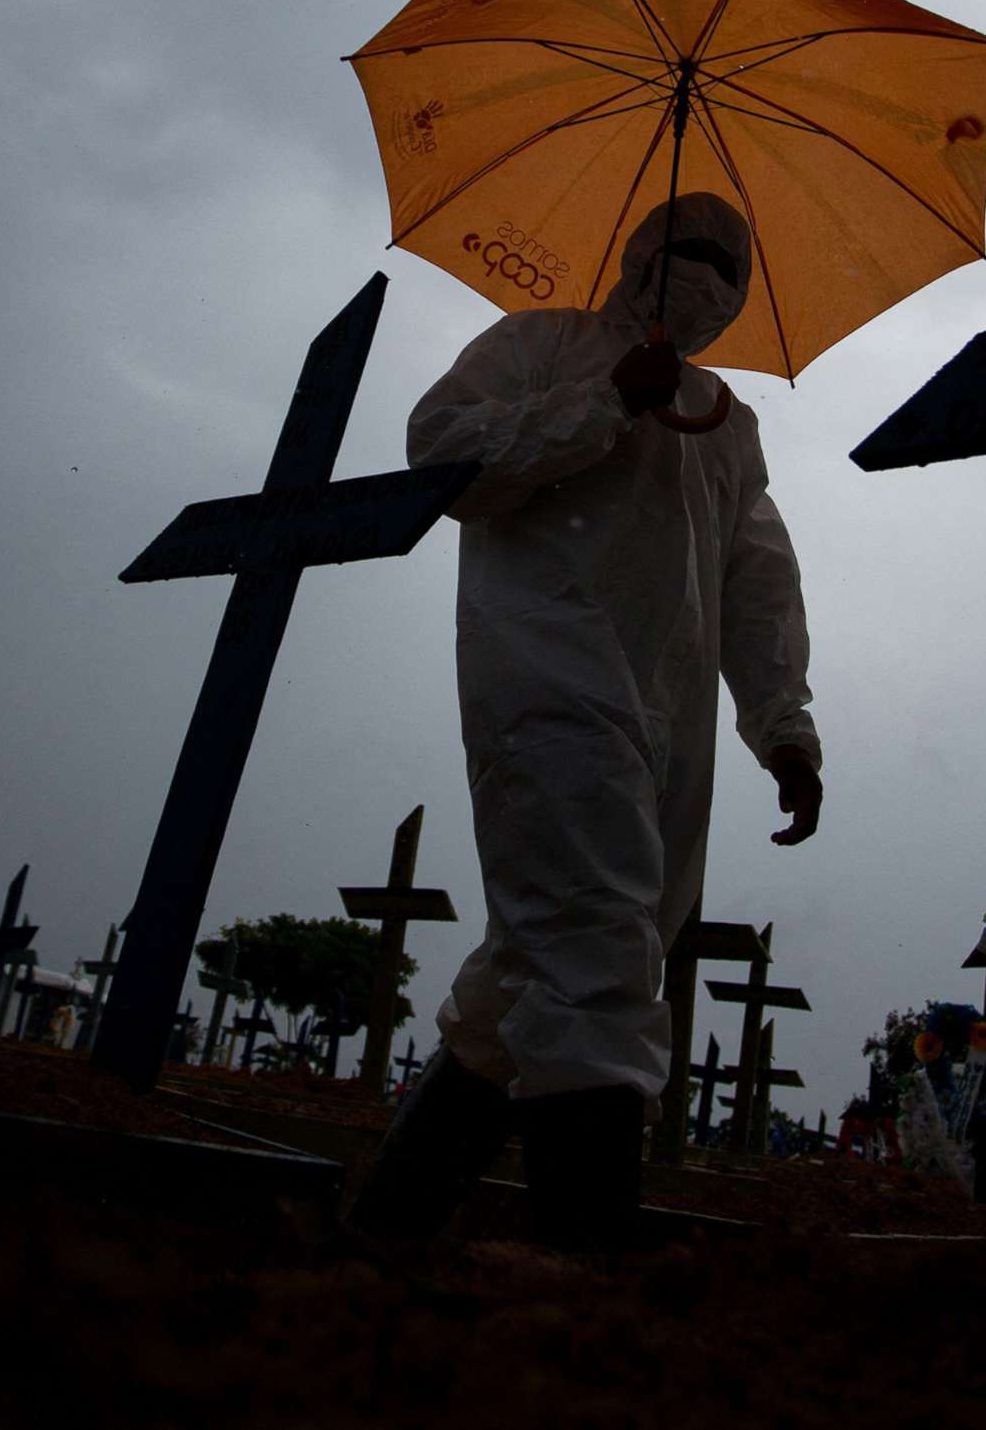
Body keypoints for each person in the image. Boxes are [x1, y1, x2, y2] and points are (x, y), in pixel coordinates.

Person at [349, 193, 823, 1249]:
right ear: (640, 253)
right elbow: (445, 457)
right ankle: (586, 1282)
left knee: (545, 968)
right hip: (546, 674)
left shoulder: (727, 422)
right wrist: (607, 400)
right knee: (596, 947)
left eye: (727, 266)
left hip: (672, 719)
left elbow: (757, 580)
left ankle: (381, 1234)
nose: (704, 276)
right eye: (687, 251)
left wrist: (784, 723)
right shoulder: (539, 345)